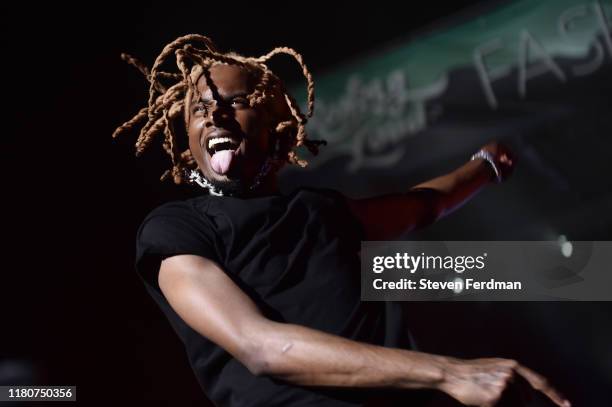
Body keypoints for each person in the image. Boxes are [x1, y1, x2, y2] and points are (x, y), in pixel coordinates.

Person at [113, 34, 570, 407]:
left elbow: (421, 206)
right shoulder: (177, 229)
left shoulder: (320, 210)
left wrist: (483, 166)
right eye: (198, 108)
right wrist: (450, 372)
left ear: (280, 129)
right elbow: (261, 347)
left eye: (235, 102)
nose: (214, 112)